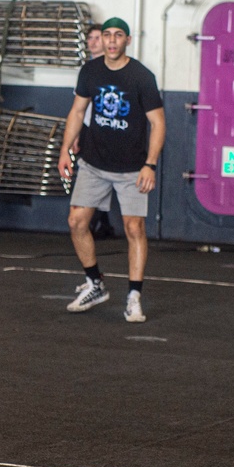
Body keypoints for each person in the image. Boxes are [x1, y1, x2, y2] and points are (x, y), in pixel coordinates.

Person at [58, 17, 165, 323]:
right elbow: (78, 111)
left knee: (134, 229)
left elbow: (158, 122)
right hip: (93, 163)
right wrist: (65, 150)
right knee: (76, 221)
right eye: (107, 35)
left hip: (132, 168)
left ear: (127, 41)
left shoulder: (141, 76)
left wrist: (150, 165)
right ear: (101, 40)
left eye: (118, 35)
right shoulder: (90, 71)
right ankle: (94, 283)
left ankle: (134, 296)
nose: (112, 40)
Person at [75, 23, 115, 241]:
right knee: (91, 173)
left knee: (105, 174)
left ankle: (101, 221)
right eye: (89, 38)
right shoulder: (87, 69)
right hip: (89, 128)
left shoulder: (112, 67)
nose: (92, 42)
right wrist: (77, 134)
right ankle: (99, 221)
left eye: (97, 37)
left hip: (108, 129)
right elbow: (80, 108)